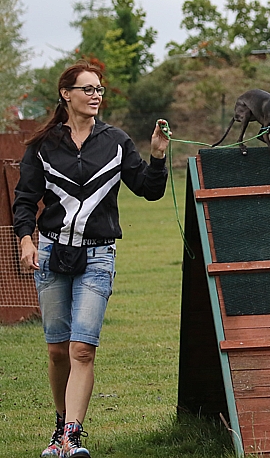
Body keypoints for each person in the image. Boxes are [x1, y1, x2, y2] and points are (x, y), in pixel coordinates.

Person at [13, 60, 170, 458]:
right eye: (88, 89)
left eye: (99, 89)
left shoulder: (116, 141)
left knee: (82, 348)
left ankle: (72, 437)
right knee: (56, 349)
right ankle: (58, 426)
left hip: (98, 256)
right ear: (67, 94)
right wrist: (25, 240)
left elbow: (148, 191)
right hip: (50, 252)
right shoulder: (42, 145)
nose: (96, 95)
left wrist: (157, 157)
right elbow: (25, 199)